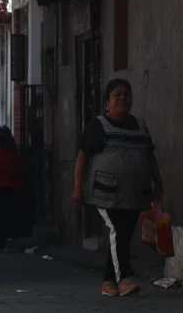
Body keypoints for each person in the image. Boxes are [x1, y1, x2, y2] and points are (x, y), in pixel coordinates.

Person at [72, 78, 164, 297]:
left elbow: (149, 156)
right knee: (118, 231)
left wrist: (158, 183)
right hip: (106, 194)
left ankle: (108, 281)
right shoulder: (98, 125)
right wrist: (77, 187)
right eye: (117, 94)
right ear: (107, 101)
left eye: (127, 94)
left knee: (121, 235)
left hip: (135, 193)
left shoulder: (140, 125)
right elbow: (82, 156)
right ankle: (125, 278)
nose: (123, 98)